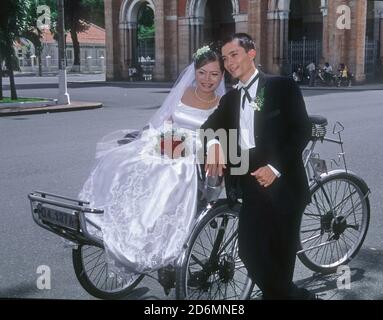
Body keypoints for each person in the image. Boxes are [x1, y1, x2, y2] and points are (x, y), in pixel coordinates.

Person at [78, 45, 225, 280]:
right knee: (124, 160)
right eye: (202, 72)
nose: (207, 79)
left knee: (171, 173)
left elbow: (220, 134)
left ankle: (153, 238)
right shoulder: (183, 92)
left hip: (195, 152)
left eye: (214, 74)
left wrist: (211, 144)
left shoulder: (222, 102)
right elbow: (165, 120)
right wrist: (160, 136)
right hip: (169, 142)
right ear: (194, 72)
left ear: (222, 75)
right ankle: (119, 221)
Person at [201, 33, 315, 299]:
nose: (229, 63)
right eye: (225, 58)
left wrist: (274, 168)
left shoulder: (281, 87)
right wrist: (214, 145)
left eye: (234, 54)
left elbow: (301, 131)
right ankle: (296, 296)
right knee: (249, 252)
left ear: (251, 53)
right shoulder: (230, 100)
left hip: (284, 184)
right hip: (250, 185)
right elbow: (207, 128)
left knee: (281, 256)